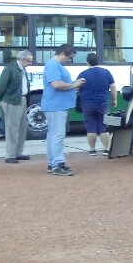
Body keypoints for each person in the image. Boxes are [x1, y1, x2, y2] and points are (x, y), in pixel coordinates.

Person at [42, 44, 85, 176]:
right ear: (62, 54)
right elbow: (56, 84)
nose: (69, 60)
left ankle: (52, 163)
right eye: (69, 57)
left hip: (55, 105)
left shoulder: (53, 65)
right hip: (56, 105)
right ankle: (58, 164)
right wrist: (74, 84)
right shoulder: (53, 65)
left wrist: (72, 85)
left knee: (53, 135)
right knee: (58, 135)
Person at [0, 50, 33, 164]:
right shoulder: (10, 68)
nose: (30, 63)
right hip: (12, 100)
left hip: (22, 99)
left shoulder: (22, 69)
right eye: (28, 61)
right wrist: (4, 99)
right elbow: (1, 86)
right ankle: (10, 154)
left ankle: (18, 153)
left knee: (22, 128)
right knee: (12, 129)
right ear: (22, 59)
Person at [77, 53, 117, 156]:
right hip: (102, 102)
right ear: (98, 61)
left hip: (87, 103)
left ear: (87, 62)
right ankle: (106, 149)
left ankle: (92, 150)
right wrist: (114, 99)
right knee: (104, 127)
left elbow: (77, 87)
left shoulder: (83, 74)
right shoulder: (106, 72)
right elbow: (113, 87)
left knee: (91, 127)